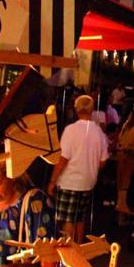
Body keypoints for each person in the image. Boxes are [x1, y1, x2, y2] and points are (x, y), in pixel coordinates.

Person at [47, 94, 110, 242]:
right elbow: (103, 161)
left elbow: (62, 159)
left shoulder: (70, 130)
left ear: (76, 109)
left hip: (70, 181)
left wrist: (52, 181)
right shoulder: (99, 132)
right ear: (92, 110)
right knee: (80, 218)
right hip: (88, 182)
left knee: (68, 219)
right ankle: (79, 248)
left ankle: (68, 257)